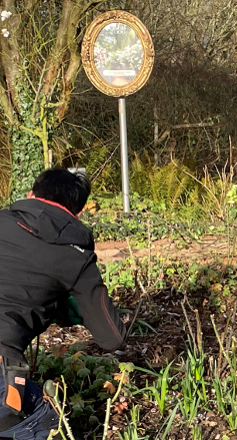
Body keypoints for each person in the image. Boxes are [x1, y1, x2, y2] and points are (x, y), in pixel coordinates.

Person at [0, 169, 126, 440]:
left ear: (31, 195)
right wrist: (64, 305)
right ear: (76, 213)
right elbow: (111, 337)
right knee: (50, 427)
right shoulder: (75, 254)